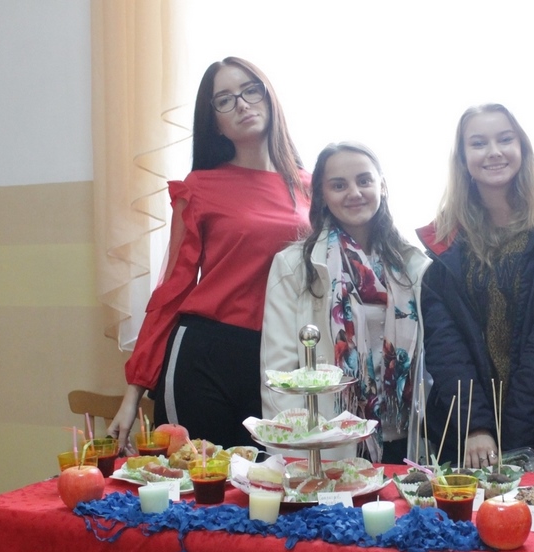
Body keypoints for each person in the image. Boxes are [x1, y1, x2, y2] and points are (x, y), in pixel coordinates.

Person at [108, 57, 311, 450]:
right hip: (204, 355)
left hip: (282, 358)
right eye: (225, 100)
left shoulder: (312, 187)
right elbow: (173, 289)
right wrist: (133, 392)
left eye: (250, 90)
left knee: (273, 481)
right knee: (199, 481)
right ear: (215, 121)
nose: (242, 104)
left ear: (268, 96)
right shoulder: (199, 187)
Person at [418, 104, 534, 473]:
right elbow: (446, 347)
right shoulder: (446, 242)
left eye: (505, 139)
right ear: (463, 158)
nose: (493, 152)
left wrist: (512, 444)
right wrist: (476, 426)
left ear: (522, 148)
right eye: (478, 143)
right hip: (467, 437)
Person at [261, 142, 429, 464]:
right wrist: (292, 457)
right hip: (330, 443)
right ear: (322, 195)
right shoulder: (294, 266)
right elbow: (279, 372)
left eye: (364, 181)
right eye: (339, 185)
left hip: (404, 438)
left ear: (382, 185)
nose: (354, 192)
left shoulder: (413, 265)